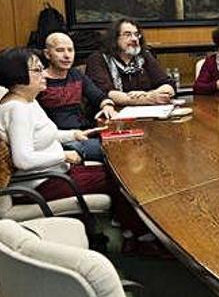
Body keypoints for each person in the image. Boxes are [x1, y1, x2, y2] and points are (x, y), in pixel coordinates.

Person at [0, 47, 150, 245]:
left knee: (118, 172)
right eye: (37, 70)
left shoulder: (27, 101)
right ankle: (139, 239)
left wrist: (73, 135)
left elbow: (42, 135)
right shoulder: (17, 109)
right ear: (17, 76)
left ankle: (130, 230)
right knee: (124, 178)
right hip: (40, 184)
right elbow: (23, 159)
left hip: (53, 174)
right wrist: (64, 156)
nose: (44, 73)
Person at [38, 32, 116, 162]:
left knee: (122, 142)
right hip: (59, 140)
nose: (67, 55)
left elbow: (98, 96)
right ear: (47, 54)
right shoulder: (39, 81)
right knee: (111, 150)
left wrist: (107, 105)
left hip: (85, 132)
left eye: (70, 50)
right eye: (60, 50)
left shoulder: (76, 75)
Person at [85, 19, 175, 105]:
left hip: (146, 112)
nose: (134, 39)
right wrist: (147, 98)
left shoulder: (144, 56)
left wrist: (152, 94)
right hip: (113, 113)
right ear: (115, 38)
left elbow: (168, 84)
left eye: (136, 34)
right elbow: (105, 93)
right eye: (128, 35)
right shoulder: (98, 59)